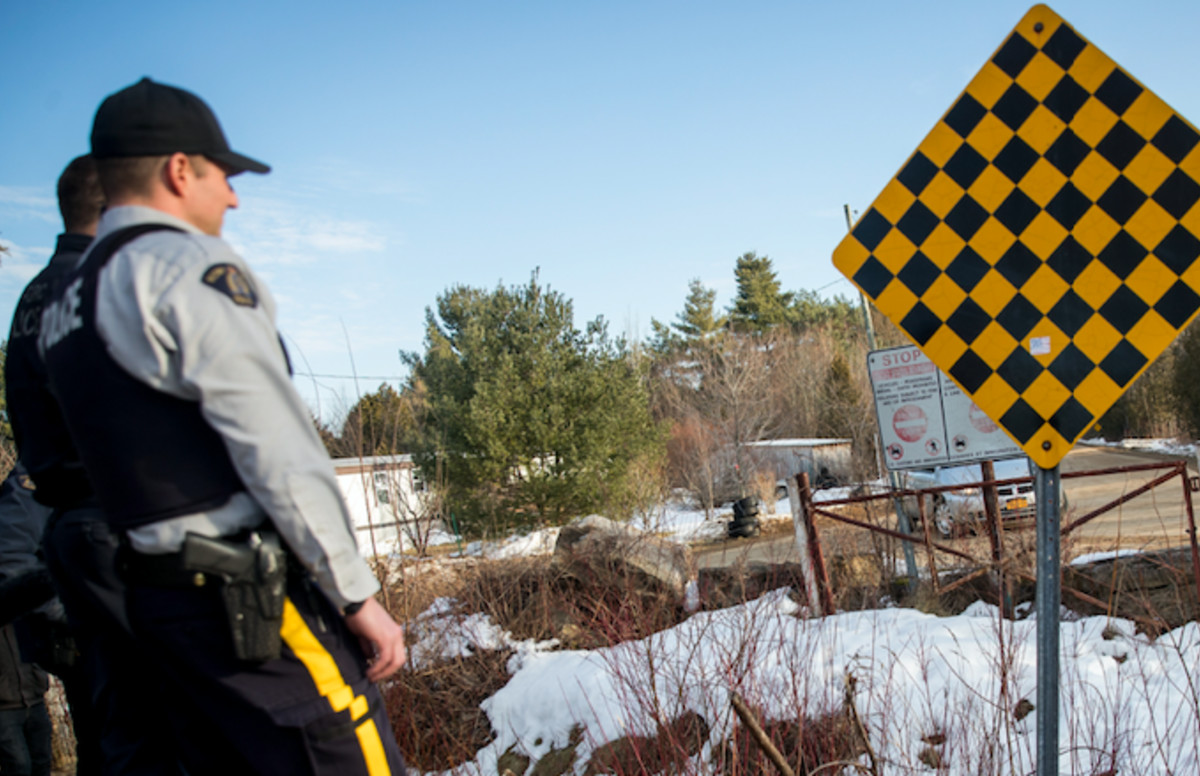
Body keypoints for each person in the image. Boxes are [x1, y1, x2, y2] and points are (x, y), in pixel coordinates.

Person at [37, 77, 407, 775]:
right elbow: (278, 447)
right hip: (249, 606)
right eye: (224, 176)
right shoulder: (180, 267)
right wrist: (355, 594)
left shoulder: (66, 301)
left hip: (156, 606)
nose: (233, 198)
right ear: (180, 169)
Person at [5, 154, 187, 774]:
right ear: (112, 209)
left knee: (118, 736)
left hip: (73, 543)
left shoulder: (33, 298)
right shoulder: (102, 285)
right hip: (125, 539)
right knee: (171, 732)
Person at [0, 623, 51, 776]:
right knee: (19, 765)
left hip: (35, 697)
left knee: (42, 761)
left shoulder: (22, 609)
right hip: (4, 709)